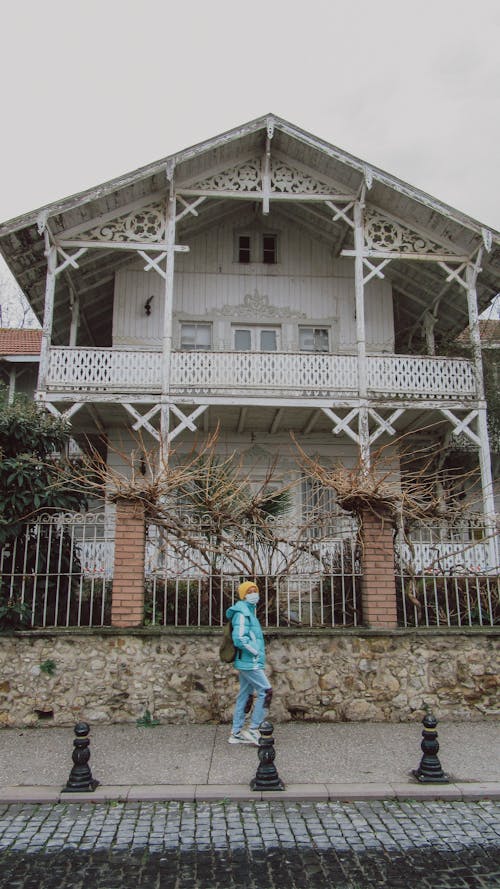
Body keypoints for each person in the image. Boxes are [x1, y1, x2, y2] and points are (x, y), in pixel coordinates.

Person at [226, 580, 272, 745]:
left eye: (255, 590)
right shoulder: (243, 613)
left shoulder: (249, 612)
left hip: (248, 661)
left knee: (245, 695)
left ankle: (236, 732)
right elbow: (239, 639)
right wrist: (255, 651)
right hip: (249, 661)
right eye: (250, 591)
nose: (254, 594)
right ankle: (253, 729)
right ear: (243, 595)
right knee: (266, 691)